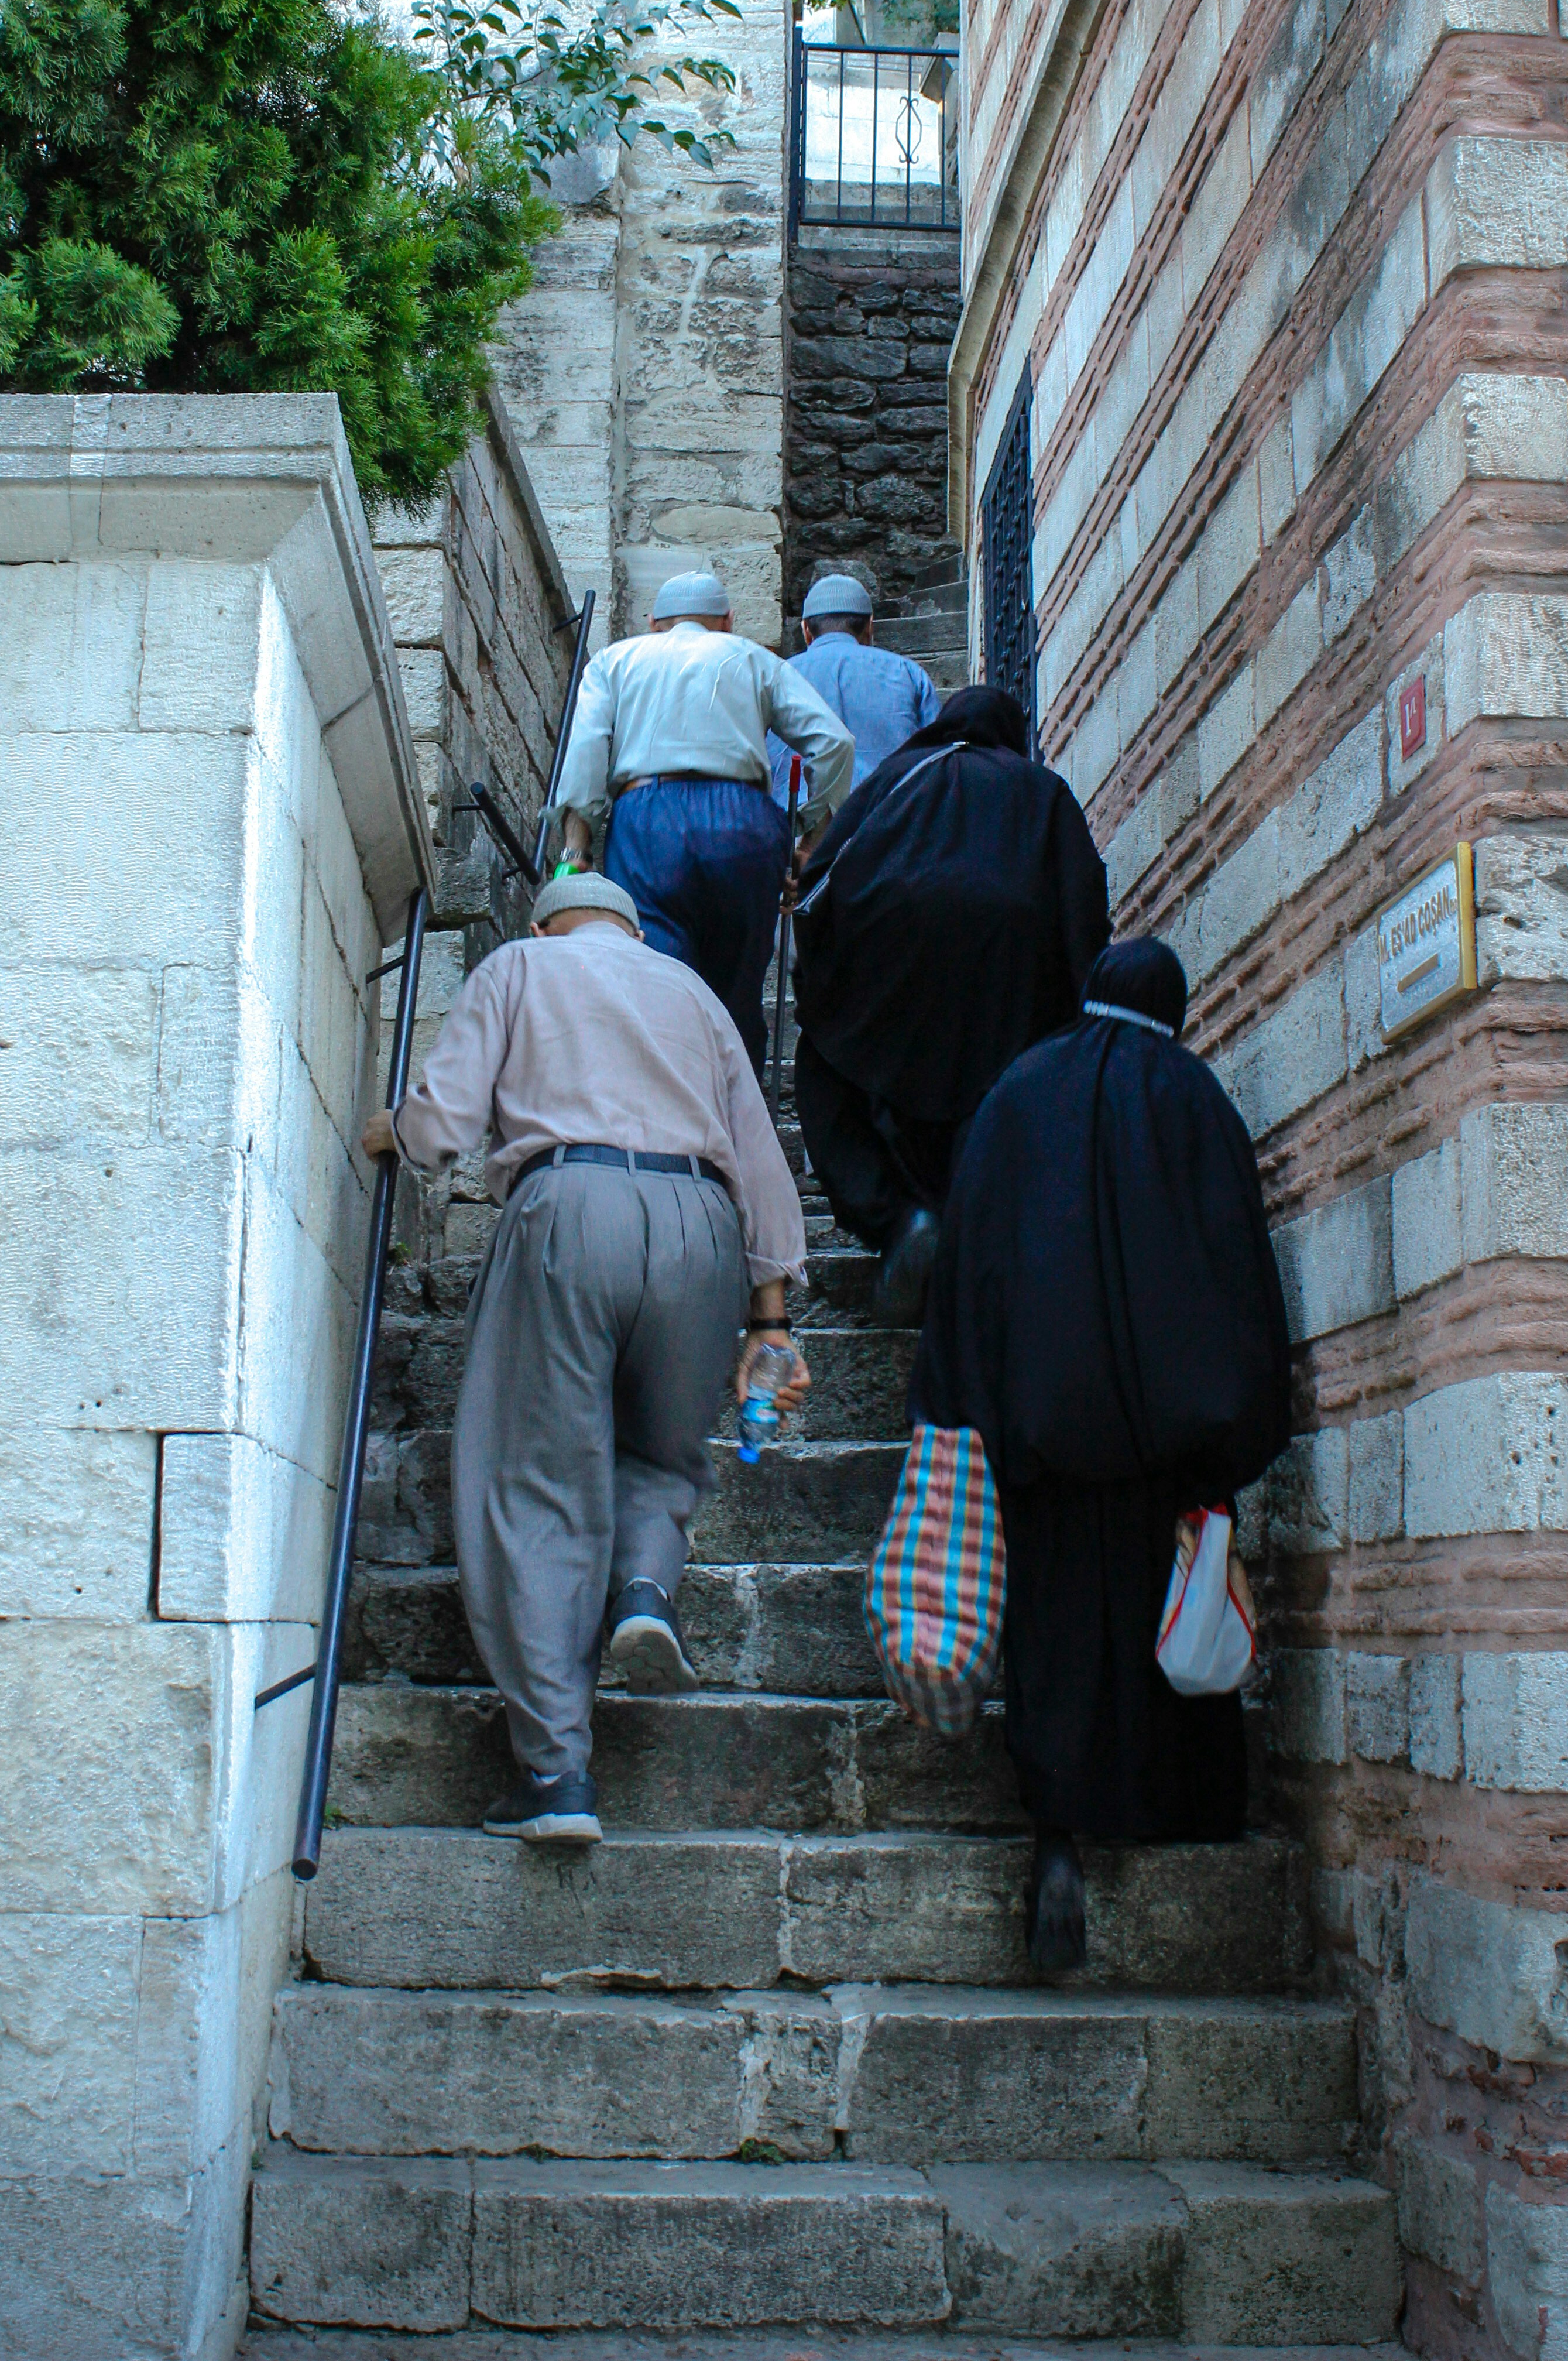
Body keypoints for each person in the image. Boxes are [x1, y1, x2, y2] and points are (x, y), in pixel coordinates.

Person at [363, 869, 809, 1845]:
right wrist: (770, 1321)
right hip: (702, 1227)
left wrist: (392, 1130)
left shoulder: (517, 967)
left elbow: (443, 1124)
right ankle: (644, 1588)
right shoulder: (693, 993)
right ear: (637, 933)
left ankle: (557, 1772)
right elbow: (761, 1155)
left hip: (569, 1207)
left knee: (537, 1485)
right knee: (663, 1451)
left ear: (543, 925)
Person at [916, 938, 1292, 1972]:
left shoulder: (1017, 1090)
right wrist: (1235, 1433)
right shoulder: (1196, 1100)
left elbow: (971, 1260)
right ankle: (1183, 1812)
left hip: (1039, 1435)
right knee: (1165, 1627)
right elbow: (1236, 1268)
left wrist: (964, 1405)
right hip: (1168, 1447)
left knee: (1053, 1635)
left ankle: (1055, 1838)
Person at [791, 683, 1109, 1319]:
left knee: (834, 1072)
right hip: (1009, 980)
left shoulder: (897, 776)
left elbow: (821, 878)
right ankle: (975, 1238)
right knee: (991, 1093)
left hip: (894, 955)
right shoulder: (1041, 790)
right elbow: (1083, 904)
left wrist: (826, 983)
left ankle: (901, 1219)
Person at [555, 570, 854, 1071]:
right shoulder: (754, 659)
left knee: (653, 977)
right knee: (737, 993)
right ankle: (737, 1106)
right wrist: (811, 838)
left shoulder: (614, 660)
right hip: (744, 822)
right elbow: (835, 743)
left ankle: (665, 1099)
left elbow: (585, 752)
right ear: (728, 621)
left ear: (653, 622)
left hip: (648, 820)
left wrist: (575, 851)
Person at [767, 571, 942, 803]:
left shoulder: (775, 675)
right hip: (890, 814)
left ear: (806, 630)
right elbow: (939, 754)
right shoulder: (908, 672)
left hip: (795, 818)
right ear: (870, 626)